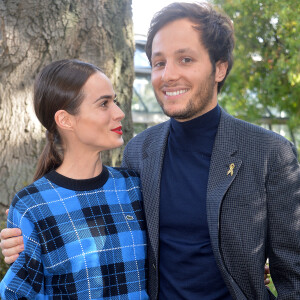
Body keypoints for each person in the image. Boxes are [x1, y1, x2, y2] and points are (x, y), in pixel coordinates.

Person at [1, 2, 300, 299]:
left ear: (219, 67)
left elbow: (293, 273)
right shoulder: (139, 152)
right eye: (159, 63)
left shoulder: (269, 154)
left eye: (185, 59)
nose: (168, 75)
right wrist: (30, 238)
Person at [0, 59, 148, 299]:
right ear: (65, 120)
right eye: (104, 104)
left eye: (115, 101)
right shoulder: (32, 206)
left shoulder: (134, 187)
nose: (119, 113)